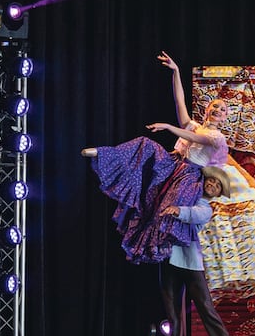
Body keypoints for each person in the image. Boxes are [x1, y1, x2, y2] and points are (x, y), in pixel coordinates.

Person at [83, 50, 232, 265]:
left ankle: (155, 247)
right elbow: (179, 102)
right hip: (172, 164)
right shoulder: (195, 125)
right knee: (146, 146)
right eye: (215, 106)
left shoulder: (217, 137)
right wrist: (176, 72)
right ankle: (106, 153)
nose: (218, 109)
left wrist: (168, 127)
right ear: (207, 109)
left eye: (223, 109)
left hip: (188, 177)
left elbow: (195, 137)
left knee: (163, 212)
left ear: (225, 118)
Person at [156, 164, 247, 336]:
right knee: (174, 316)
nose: (212, 185)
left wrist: (178, 211)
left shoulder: (206, 207)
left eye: (217, 185)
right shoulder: (185, 193)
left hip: (190, 264)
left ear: (218, 193)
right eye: (211, 181)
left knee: (208, 312)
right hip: (168, 260)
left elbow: (195, 215)